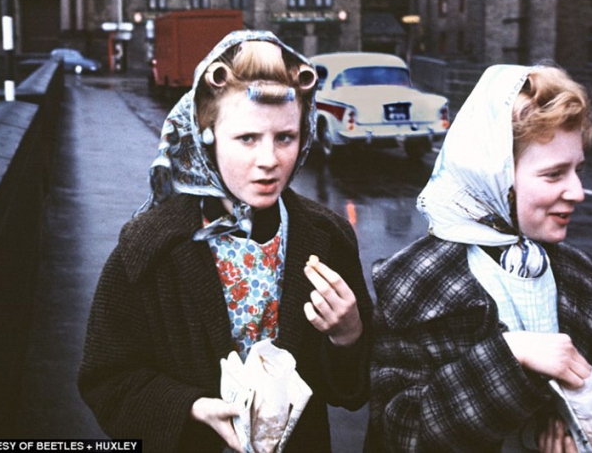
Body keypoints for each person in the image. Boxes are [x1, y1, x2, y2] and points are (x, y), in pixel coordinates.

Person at [78, 30, 372, 452]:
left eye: (284, 137)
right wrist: (190, 407)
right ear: (207, 135)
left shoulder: (327, 238)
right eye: (247, 138)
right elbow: (106, 380)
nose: (269, 160)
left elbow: (350, 392)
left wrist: (349, 335)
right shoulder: (149, 247)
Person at [367, 64, 592, 453]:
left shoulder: (574, 278)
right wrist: (511, 355)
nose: (577, 192)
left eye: (577, 170)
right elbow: (403, 431)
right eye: (554, 174)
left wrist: (588, 438)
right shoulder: (417, 282)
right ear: (495, 175)